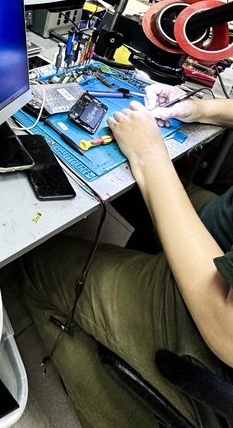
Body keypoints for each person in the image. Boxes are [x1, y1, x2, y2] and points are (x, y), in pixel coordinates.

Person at [17, 83, 233, 428]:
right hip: (224, 235)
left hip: (215, 321)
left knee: (34, 263)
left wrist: (149, 157)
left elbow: (227, 329)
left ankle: (111, 407)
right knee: (150, 191)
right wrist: (201, 109)